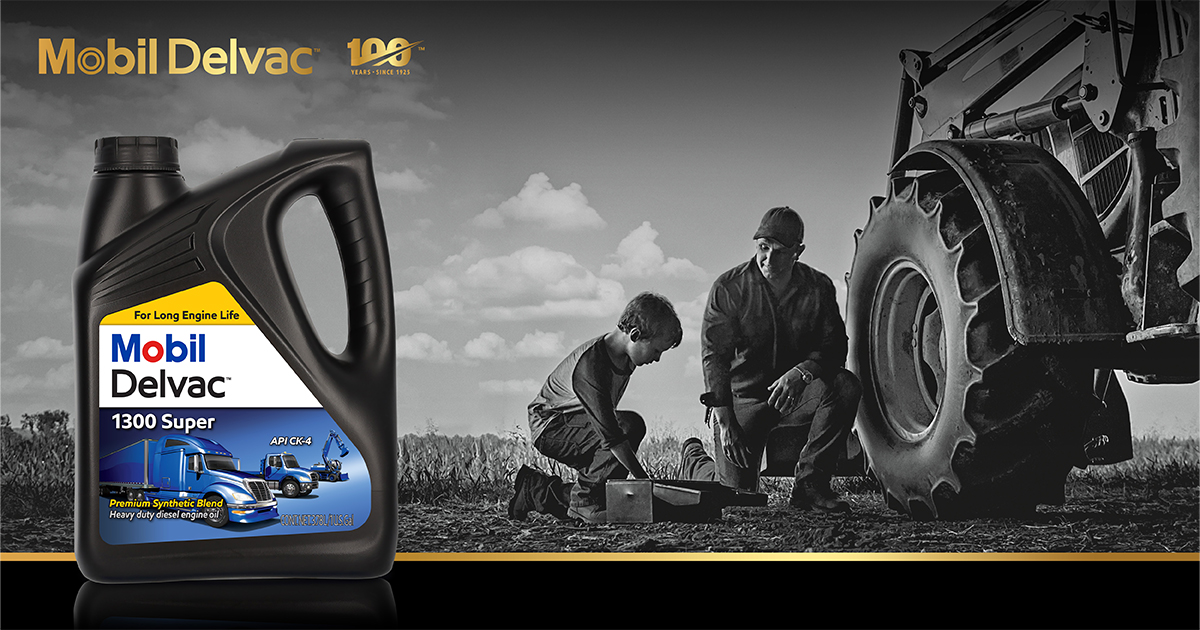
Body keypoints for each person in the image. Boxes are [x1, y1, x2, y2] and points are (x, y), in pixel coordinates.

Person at [680, 206, 862, 513]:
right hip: (743, 403)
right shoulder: (729, 287)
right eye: (763, 248)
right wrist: (725, 422)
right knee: (734, 497)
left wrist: (802, 373)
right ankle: (693, 458)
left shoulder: (819, 287)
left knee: (845, 385)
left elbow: (835, 348)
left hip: (797, 395)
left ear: (798, 252)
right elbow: (714, 357)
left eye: (779, 251)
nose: (768, 259)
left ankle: (810, 486)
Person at [508, 291, 683, 524]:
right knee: (630, 426)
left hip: (577, 425)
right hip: (552, 427)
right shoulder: (592, 365)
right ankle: (585, 502)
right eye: (656, 350)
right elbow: (611, 435)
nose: (658, 358)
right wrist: (644, 482)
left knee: (603, 485)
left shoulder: (624, 359)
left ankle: (536, 489)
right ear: (635, 334)